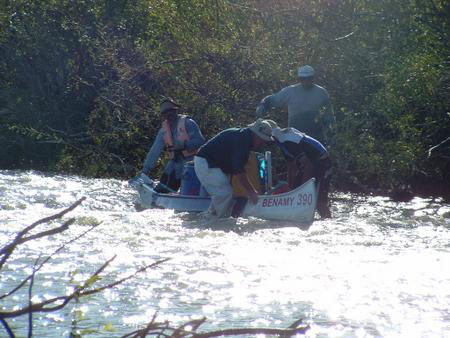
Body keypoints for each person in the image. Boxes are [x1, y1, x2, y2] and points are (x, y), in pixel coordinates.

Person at [194, 119, 274, 218]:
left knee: (223, 196)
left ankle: (208, 218)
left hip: (217, 165)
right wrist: (252, 192)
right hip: (206, 162)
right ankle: (218, 223)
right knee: (224, 194)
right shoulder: (242, 140)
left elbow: (235, 168)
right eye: (262, 140)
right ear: (255, 135)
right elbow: (239, 171)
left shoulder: (245, 138)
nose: (262, 143)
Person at [256, 65, 335, 146]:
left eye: (309, 78)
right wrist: (263, 105)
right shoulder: (291, 91)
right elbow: (273, 99)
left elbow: (328, 115)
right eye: (303, 79)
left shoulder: (321, 93)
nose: (306, 81)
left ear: (313, 78)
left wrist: (331, 133)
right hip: (294, 136)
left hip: (316, 137)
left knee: (316, 158)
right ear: (299, 79)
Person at [141, 98, 205, 192]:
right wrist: (145, 171)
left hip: (192, 166)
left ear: (175, 111)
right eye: (165, 113)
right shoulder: (163, 130)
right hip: (174, 165)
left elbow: (200, 141)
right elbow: (155, 151)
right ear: (163, 115)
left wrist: (184, 145)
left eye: (171, 111)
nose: (169, 115)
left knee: (187, 192)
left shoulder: (188, 123)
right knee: (160, 191)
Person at [270, 123, 332, 218]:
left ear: (273, 137)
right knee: (295, 190)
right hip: (309, 162)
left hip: (322, 161)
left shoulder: (287, 141)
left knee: (319, 201)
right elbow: (291, 166)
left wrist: (303, 189)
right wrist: (290, 190)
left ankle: (327, 220)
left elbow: (308, 164)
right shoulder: (281, 142)